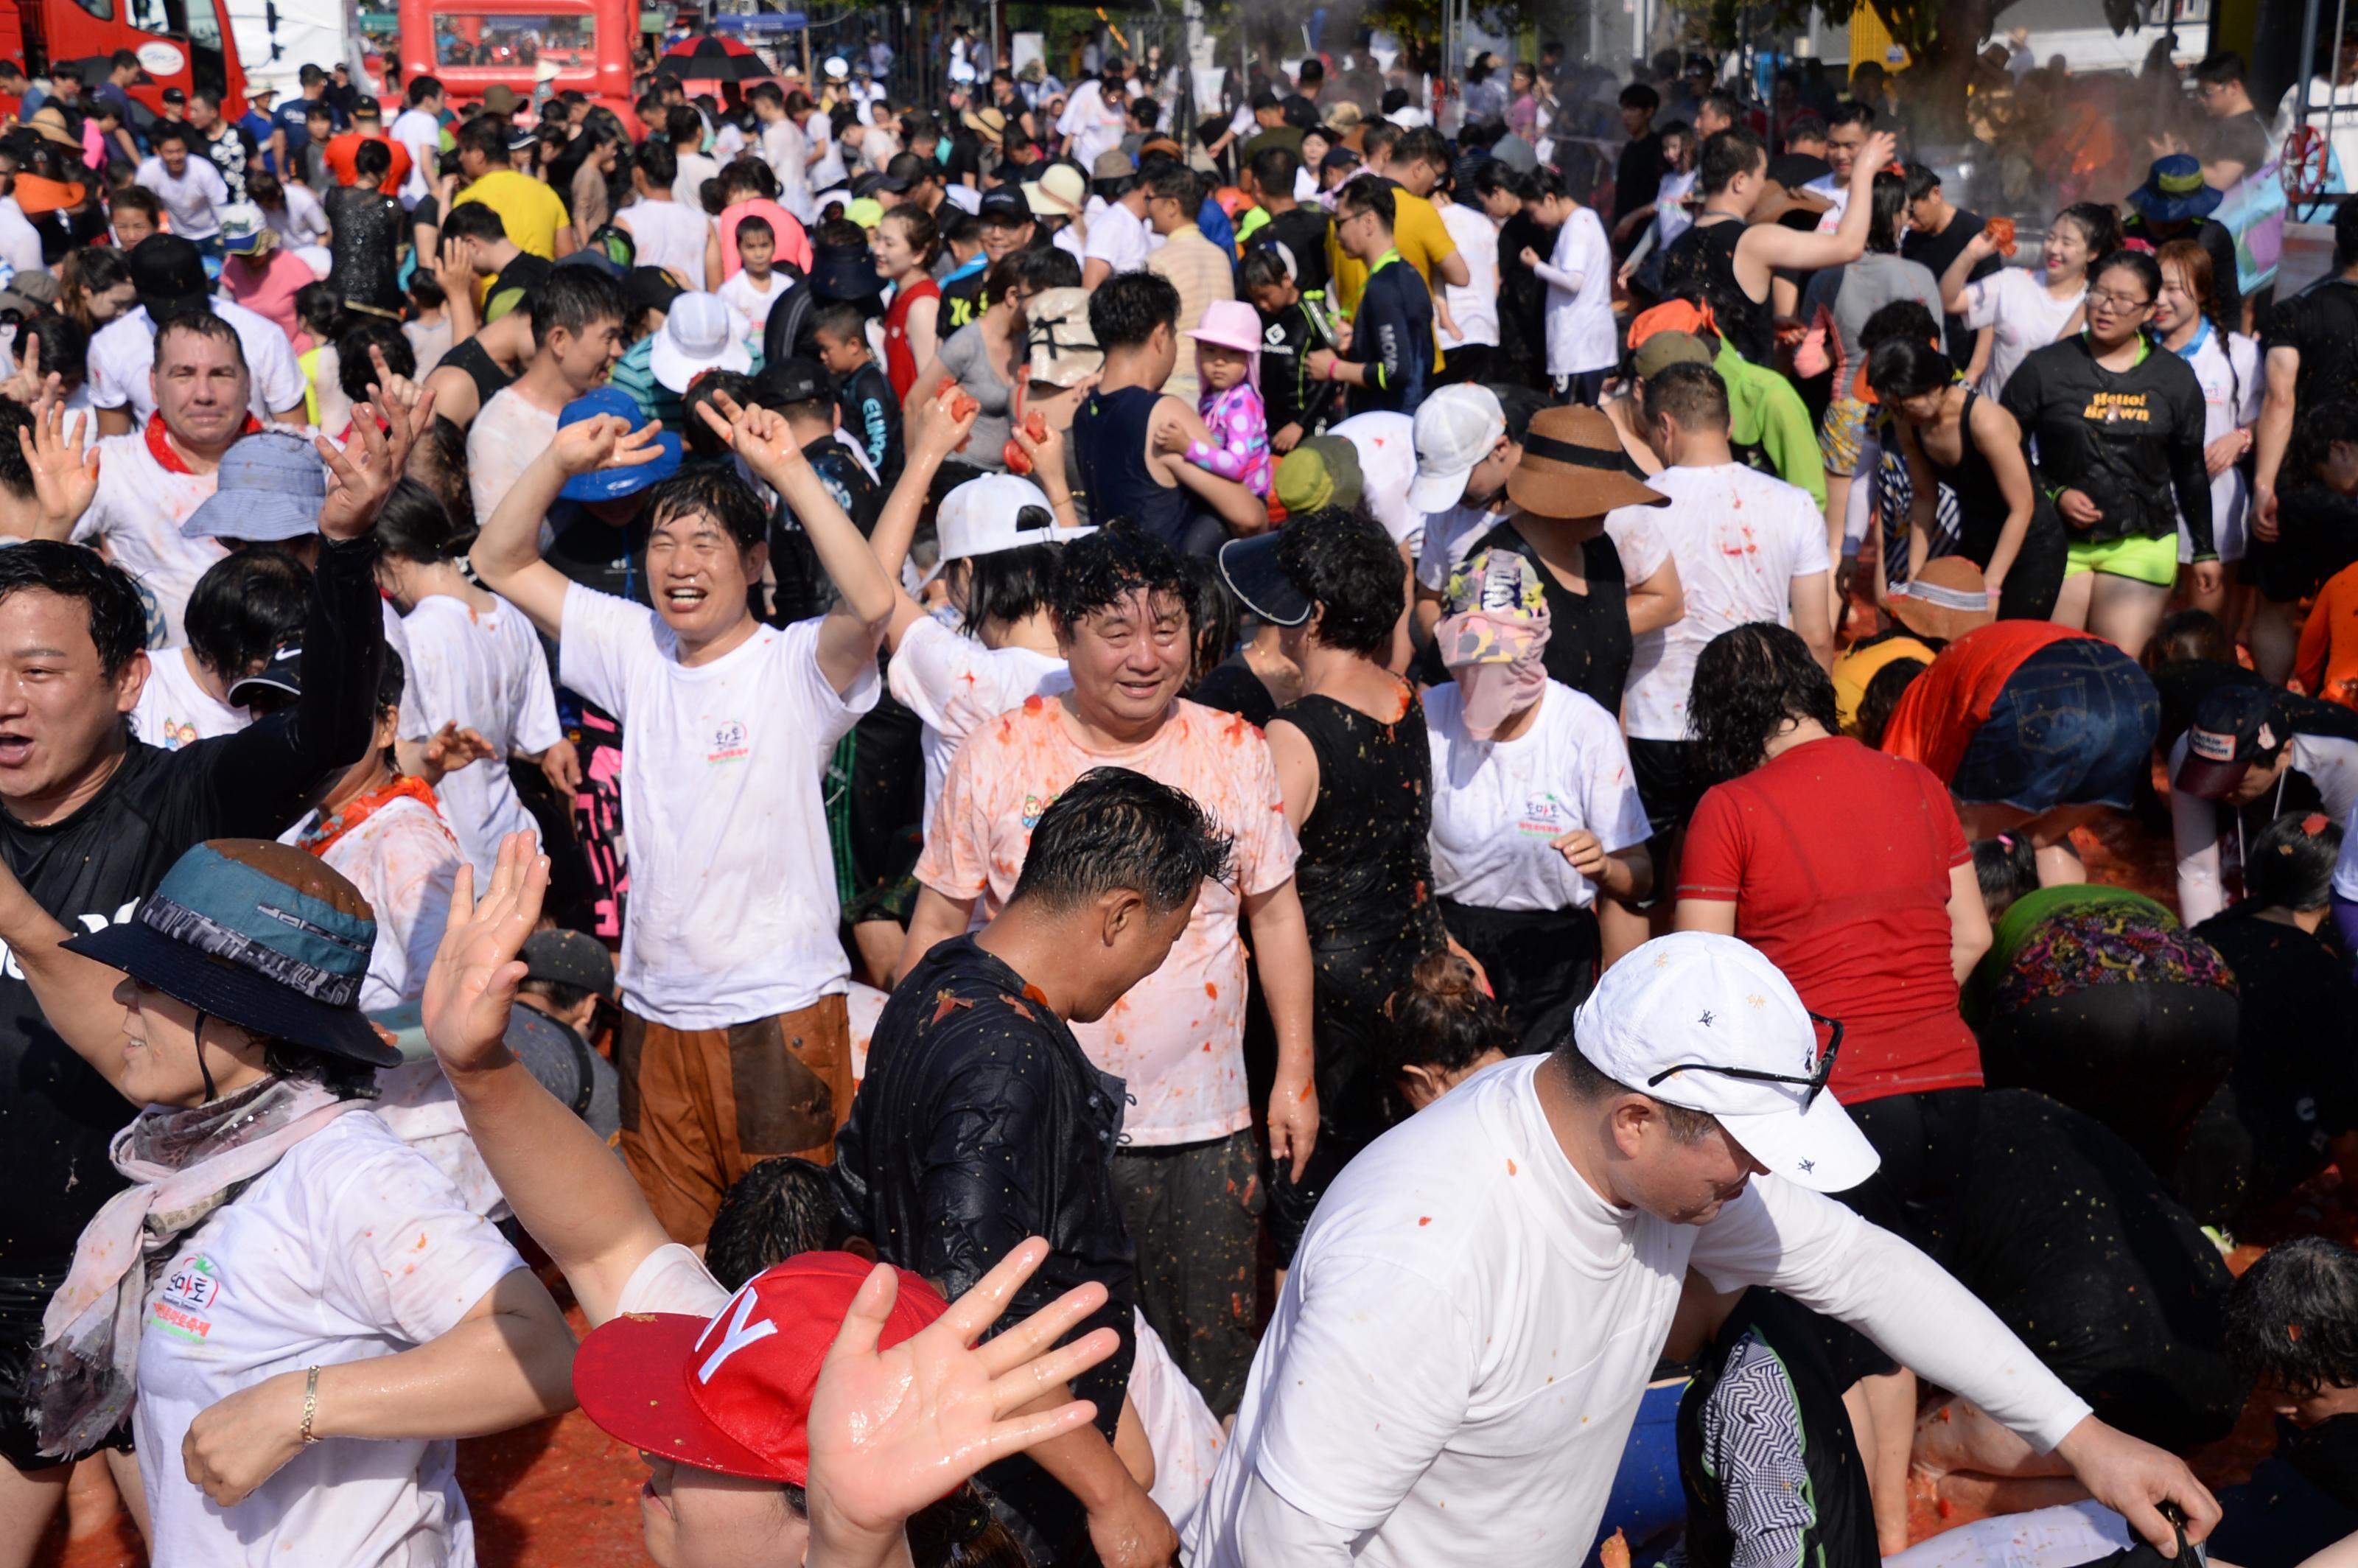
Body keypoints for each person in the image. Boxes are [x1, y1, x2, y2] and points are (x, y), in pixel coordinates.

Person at [1185, 928, 2222, 1565]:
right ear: (1637, 1120)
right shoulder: (1429, 1255)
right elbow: (1289, 1543)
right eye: (1749, 1151)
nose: (1758, 1178)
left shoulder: (1661, 1172)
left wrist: (2088, 1442)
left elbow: (1865, 1268)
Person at [412, 833, 1167, 1568]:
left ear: (827, 1510)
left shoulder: (854, 1517)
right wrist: (479, 1068)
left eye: (704, 1439)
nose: (655, 1454)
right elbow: (605, 1241)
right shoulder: (757, 1357)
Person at [0, 396, 413, 1561]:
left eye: (39, 670)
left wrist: (341, 552)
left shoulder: (190, 801)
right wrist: (39, 530)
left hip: (174, 1267)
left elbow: (327, 727)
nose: (6, 701)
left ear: (131, 681)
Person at [0, 830, 575, 1561]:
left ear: (242, 1016)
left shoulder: (346, 1174)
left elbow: (543, 1349)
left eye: (152, 981)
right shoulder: (186, 1165)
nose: (122, 994)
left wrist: (300, 1406)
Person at [902, 525, 1319, 1417]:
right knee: (1066, 1375)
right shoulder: (1000, 752)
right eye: (1116, 632)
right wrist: (918, 1060)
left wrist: (1293, 1074)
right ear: (1062, 635)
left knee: (1215, 1374)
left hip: (1207, 1130)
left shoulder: (1235, 748)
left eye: (1166, 629)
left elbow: (1275, 915)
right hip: (1039, 1126)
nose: (1145, 656)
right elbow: (939, 918)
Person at [470, 392, 895, 1245]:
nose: (679, 562)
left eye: (705, 542)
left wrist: (785, 472)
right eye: (661, 541)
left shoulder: (794, 666)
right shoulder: (638, 647)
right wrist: (559, 461)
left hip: (778, 1011)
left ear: (752, 561)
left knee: (793, 1263)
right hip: (658, 1012)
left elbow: (875, 602)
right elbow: (499, 557)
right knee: (677, 1257)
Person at [838, 768, 1221, 1559]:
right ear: (1119, 915)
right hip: (1000, 1497)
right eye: (1168, 937)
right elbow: (974, 1310)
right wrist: (1110, 1495)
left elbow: (859, 1191)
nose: (1156, 964)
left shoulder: (936, 977)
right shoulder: (1007, 1055)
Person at [1217, 514, 1446, 1259]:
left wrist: (1291, 1069)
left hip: (1316, 1011)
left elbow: (1251, 892)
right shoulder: (1404, 699)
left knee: (1307, 1223)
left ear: (1312, 618)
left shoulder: (1295, 735)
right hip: (1404, 979)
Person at [1424, 543, 1652, 1054]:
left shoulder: (1584, 728)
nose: (1483, 682)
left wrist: (1605, 867)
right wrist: (1439, 942)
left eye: (1501, 663)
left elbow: (1640, 873)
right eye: (1470, 664)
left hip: (1552, 957)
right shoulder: (1430, 717)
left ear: (1535, 648)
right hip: (1451, 948)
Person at [1619, 362, 1831, 853]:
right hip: (1753, 719)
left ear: (1665, 425)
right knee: (1743, 868)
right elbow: (1816, 636)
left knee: (1642, 874)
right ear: (1729, 424)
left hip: (1654, 721)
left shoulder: (1632, 507)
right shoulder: (1794, 504)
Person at [1964, 837, 2239, 1198]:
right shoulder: (2107, 897)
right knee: (2158, 1139)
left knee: (2022, 1129)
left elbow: (1972, 1040)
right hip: (2205, 997)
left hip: (2081, 999)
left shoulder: (1995, 931)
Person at [2001, 249, 2219, 659]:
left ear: (2150, 310)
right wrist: (2054, 493)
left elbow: (2190, 466)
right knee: (2055, 661)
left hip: (2142, 539)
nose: (2107, 308)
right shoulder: (2047, 367)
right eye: (2099, 294)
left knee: (2117, 663)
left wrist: (2205, 548)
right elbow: (2002, 448)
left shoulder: (2173, 378)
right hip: (2057, 539)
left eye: (2124, 300)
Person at [372, 477, 563, 885]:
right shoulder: (511, 617)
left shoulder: (408, 636)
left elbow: (400, 754)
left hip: (445, 861)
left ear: (393, 554)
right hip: (512, 844)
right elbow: (534, 739)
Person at [1880, 620, 2159, 883]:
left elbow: (1903, 812)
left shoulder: (1912, 708)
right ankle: (2062, 931)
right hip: (2134, 694)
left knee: (1956, 851)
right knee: (2040, 841)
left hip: (2039, 698)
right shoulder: (1956, 664)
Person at [2190, 811, 2358, 1228]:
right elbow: (2346, 1118)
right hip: (2234, 1172)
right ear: (2330, 890)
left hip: (2165, 1146)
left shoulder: (2204, 934)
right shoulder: (2319, 971)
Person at [70, 313, 265, 648]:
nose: (204, 394)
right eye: (183, 375)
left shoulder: (302, 456)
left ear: (248, 383)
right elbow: (27, 550)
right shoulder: (112, 465)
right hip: (154, 684)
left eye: (221, 374)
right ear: (153, 385)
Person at [1799, 169, 1944, 566]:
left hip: (1847, 410)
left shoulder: (1827, 277)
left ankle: (1825, 625)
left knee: (1833, 544)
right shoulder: (1919, 278)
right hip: (1905, 414)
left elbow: (1806, 364)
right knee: (1892, 544)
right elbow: (1938, 357)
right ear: (1897, 216)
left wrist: (1839, 356)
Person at [1661, 124, 1898, 367]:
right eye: (1762, 177)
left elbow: (1708, 316)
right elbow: (1848, 246)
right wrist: (1863, 172)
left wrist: (1763, 323)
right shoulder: (1754, 241)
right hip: (1733, 393)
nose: (1764, 186)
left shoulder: (1679, 243)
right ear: (1740, 181)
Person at [1868, 334, 2068, 620]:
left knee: (2007, 643)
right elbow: (1925, 498)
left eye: (1904, 406)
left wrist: (1992, 586)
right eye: (1890, 407)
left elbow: (2022, 507)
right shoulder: (1908, 424)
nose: (1898, 414)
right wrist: (1915, 576)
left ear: (1935, 386)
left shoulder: (1985, 422)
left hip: (2030, 542)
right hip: (1977, 536)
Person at [1071, 271, 1271, 558]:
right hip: (1169, 589)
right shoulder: (1163, 414)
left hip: (1112, 581)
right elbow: (1249, 519)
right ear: (1161, 336)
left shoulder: (1084, 412)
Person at [88, 234, 310, 435]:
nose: (204, 395)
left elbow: (296, 435)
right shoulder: (109, 347)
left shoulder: (264, 336)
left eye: (221, 374)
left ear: (206, 279)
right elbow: (112, 441)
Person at [466, 267, 629, 528]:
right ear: (559, 340)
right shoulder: (496, 431)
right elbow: (500, 553)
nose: (619, 351)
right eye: (609, 338)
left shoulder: (609, 403)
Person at [2155, 237, 2262, 626]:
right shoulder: (2134, 351)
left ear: (2201, 292)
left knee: (2208, 631)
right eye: (2154, 288)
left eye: (2172, 289)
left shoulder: (2239, 353)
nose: (2160, 300)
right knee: (2148, 629)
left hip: (2217, 506)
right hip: (2147, 508)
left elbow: (2257, 417)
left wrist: (2241, 438)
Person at [130, 549, 309, 751]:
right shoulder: (142, 686)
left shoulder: (298, 694)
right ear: (207, 651)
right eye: (254, 673)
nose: (265, 686)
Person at [1937, 203, 2111, 403]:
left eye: (2067, 243)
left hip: (2048, 428)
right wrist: (1970, 255)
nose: (2054, 249)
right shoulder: (2013, 282)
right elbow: (1947, 302)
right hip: (1992, 422)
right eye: (2051, 238)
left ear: (2093, 253)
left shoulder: (2098, 308)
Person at [1308, 178, 1431, 418]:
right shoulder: (1408, 273)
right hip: (1406, 414)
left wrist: (1334, 368)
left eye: (1340, 223)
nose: (1336, 235)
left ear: (1368, 221)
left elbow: (1396, 372)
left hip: (1388, 422)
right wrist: (1360, 341)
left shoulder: (1383, 286)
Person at [1519, 165, 1614, 404]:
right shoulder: (1581, 222)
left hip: (1579, 349)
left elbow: (1573, 281)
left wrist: (1537, 266)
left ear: (1549, 199)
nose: (1533, 220)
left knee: (1572, 422)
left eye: (1533, 212)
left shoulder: (1577, 227)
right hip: (1583, 346)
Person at [1900, 162, 2001, 381]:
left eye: (1913, 212)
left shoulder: (1975, 234)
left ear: (1935, 194)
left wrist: (1974, 372)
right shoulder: (1911, 240)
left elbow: (1989, 309)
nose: (1909, 223)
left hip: (1966, 355)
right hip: (1927, 357)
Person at [2123, 154, 2244, 333]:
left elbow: (2228, 303)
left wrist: (2230, 345)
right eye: (2159, 218)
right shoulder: (2126, 234)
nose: (2166, 226)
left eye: (2177, 220)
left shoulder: (2212, 237)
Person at [449, 114, 572, 261]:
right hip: (543, 281)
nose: (460, 158)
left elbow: (462, 261)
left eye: (462, 150)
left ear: (478, 155)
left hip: (492, 284)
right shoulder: (545, 191)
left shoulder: (468, 200)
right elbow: (567, 255)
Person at [814, 298, 903, 489]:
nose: (822, 356)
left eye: (827, 349)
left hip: (883, 487)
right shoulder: (852, 379)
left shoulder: (869, 385)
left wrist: (865, 482)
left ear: (854, 345)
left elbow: (880, 441)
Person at [873, 203, 940, 400]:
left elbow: (930, 385)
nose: (878, 250)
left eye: (889, 244)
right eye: (877, 239)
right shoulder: (900, 294)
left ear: (918, 254)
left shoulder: (923, 305)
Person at [136, 123, 232, 253]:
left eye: (179, 151)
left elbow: (220, 207)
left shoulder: (203, 169)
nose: (175, 157)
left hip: (212, 233)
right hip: (179, 236)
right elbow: (140, 205)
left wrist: (227, 239)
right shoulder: (148, 172)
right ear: (157, 151)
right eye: (169, 152)